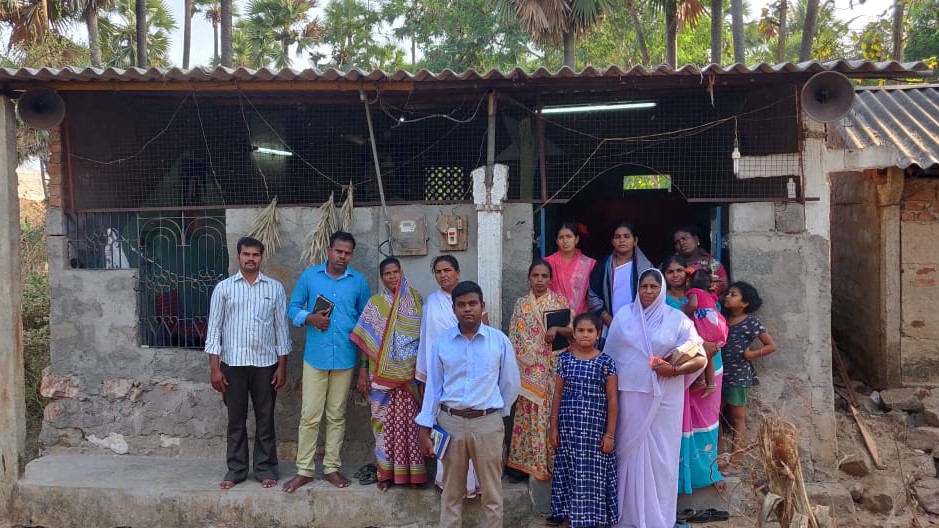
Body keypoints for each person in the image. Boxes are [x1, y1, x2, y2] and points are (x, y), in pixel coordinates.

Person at [604, 269, 707, 528]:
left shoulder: (677, 320)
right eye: (643, 287)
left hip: (666, 399)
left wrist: (673, 370)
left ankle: (657, 519)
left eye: (653, 287)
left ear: (661, 290)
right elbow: (610, 358)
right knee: (627, 453)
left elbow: (700, 357)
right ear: (637, 289)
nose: (648, 292)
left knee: (662, 458)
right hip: (629, 396)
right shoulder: (624, 316)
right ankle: (625, 517)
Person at [416, 281, 521, 528]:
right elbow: (434, 388)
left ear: (482, 306)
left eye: (473, 303)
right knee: (451, 494)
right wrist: (425, 426)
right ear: (454, 309)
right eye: (461, 304)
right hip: (450, 423)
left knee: (492, 494)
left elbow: (510, 384)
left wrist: (495, 414)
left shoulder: (499, 341)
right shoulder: (442, 343)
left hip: (488, 423)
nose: (467, 309)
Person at [283, 231, 371, 492]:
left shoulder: (359, 282)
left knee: (336, 415)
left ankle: (332, 467)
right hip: (316, 357)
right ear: (329, 250)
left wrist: (364, 367)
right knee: (310, 415)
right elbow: (292, 308)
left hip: (345, 358)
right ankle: (305, 470)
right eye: (338, 251)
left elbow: (367, 324)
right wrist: (310, 318)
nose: (342, 257)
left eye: (347, 253)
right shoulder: (310, 276)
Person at [204, 236, 291, 490]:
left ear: (261, 257)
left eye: (255, 255)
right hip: (233, 365)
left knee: (266, 418)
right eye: (246, 254)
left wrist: (282, 366)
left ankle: (265, 468)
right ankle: (236, 469)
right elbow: (214, 330)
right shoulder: (224, 288)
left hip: (266, 365)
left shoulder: (274, 288)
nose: (251, 259)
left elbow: (280, 330)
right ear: (238, 256)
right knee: (236, 419)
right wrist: (214, 368)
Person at [351, 257, 427, 491]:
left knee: (410, 427)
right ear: (382, 277)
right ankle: (385, 475)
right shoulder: (375, 303)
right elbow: (365, 342)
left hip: (408, 377)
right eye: (387, 273)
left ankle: (412, 476)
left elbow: (420, 339)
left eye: (396, 272)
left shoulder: (415, 300)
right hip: (379, 376)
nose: (392, 276)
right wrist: (362, 372)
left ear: (402, 272)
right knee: (383, 427)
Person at [416, 255, 481, 497]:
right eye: (438, 271)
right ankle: (445, 479)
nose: (443, 275)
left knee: (469, 428)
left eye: (447, 270)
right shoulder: (431, 303)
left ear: (458, 271)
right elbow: (425, 340)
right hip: (439, 374)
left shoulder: (469, 301)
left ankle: (470, 483)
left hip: (467, 374)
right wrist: (424, 377)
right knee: (444, 427)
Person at [662, 256, 727, 496]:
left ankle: (708, 472)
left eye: (680, 270)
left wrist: (712, 345)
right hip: (679, 364)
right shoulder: (661, 301)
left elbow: (717, 324)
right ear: (663, 275)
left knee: (707, 418)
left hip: (712, 359)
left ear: (688, 274)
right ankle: (676, 478)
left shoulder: (702, 296)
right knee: (676, 420)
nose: (676, 275)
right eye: (670, 271)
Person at [549, 313, 619, 528]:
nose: (585, 335)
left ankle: (597, 519)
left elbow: (612, 398)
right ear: (574, 334)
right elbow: (558, 394)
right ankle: (570, 517)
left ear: (598, 334)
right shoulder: (565, 360)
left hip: (595, 432)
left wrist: (609, 434)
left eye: (590, 331)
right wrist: (553, 428)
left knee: (594, 474)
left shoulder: (606, 362)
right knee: (569, 471)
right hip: (569, 430)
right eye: (581, 330)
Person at [507, 260, 573, 483]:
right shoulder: (521, 304)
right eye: (535, 275)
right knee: (526, 415)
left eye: (544, 276)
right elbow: (514, 334)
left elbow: (572, 332)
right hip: (527, 369)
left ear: (550, 279)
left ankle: (548, 463)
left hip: (551, 368)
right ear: (529, 277)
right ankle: (524, 464)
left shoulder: (559, 301)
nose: (539, 280)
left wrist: (556, 329)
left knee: (548, 414)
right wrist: (526, 359)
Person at [721, 281, 777, 475]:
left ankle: (735, 463)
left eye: (733, 294)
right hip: (720, 375)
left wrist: (752, 355)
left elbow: (771, 345)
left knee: (738, 420)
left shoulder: (751, 322)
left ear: (744, 303)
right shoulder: (722, 318)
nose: (727, 296)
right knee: (715, 418)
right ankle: (718, 458)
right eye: (728, 293)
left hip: (738, 377)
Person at [589, 222, 652, 331]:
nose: (622, 240)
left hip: (640, 325)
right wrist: (608, 319)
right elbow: (592, 295)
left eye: (626, 236)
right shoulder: (602, 267)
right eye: (617, 237)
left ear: (635, 241)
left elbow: (655, 296)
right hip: (609, 326)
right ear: (612, 241)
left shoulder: (646, 268)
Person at [682, 270, 729, 398]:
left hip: (705, 326)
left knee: (701, 352)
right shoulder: (710, 294)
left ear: (690, 283)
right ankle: (711, 384)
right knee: (709, 356)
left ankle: (701, 380)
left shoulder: (694, 292)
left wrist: (683, 309)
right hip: (716, 326)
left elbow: (693, 305)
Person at [545, 222, 596, 315]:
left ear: (576, 239)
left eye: (569, 236)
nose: (565, 241)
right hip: (554, 316)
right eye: (561, 237)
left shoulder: (589, 264)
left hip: (581, 318)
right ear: (556, 241)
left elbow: (593, 295)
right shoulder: (548, 263)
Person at [672, 225, 728, 295]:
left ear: (696, 239)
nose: (681, 243)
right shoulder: (670, 265)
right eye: (677, 242)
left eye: (684, 238)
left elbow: (725, 292)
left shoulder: (713, 264)